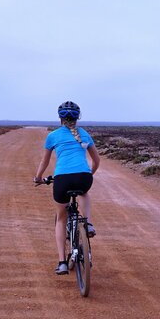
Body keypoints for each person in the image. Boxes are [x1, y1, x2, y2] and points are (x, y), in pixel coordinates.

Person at [34, 101, 101, 275]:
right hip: (83, 177)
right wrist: (89, 174)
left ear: (60, 118)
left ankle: (62, 262)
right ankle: (88, 223)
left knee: (61, 219)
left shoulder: (53, 136)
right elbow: (96, 161)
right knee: (84, 193)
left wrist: (38, 178)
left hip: (62, 179)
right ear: (78, 118)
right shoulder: (84, 134)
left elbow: (44, 161)